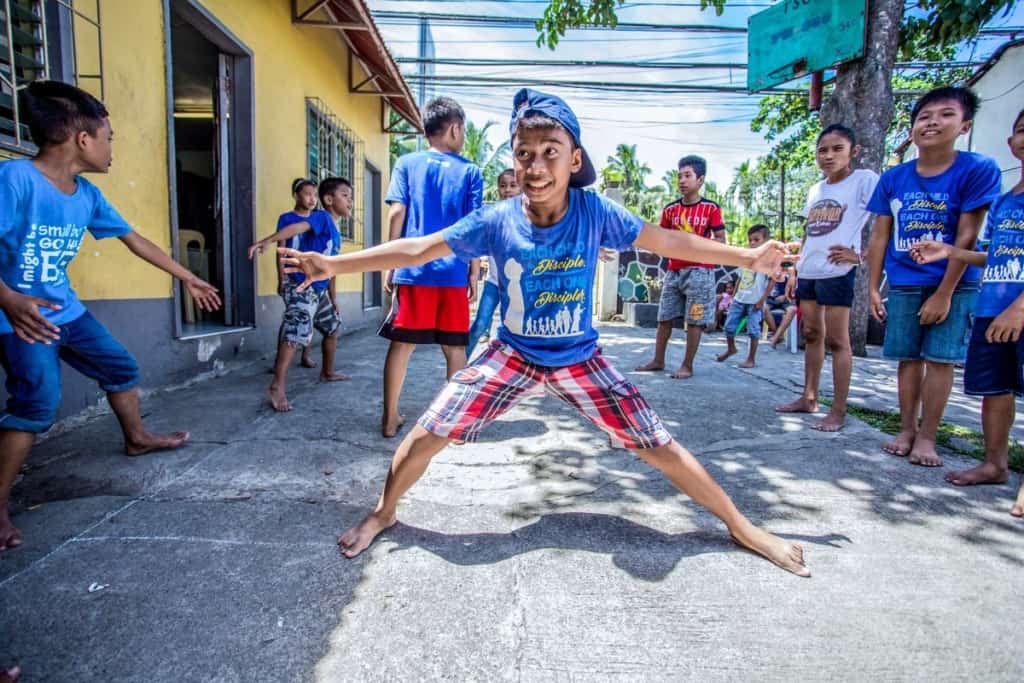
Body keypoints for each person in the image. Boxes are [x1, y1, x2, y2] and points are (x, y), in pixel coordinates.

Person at [280, 88, 809, 577]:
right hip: (511, 354)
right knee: (426, 432)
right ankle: (384, 513)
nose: (536, 166)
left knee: (658, 444)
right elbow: (418, 247)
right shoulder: (496, 220)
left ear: (574, 159)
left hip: (579, 356)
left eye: (550, 151)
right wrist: (332, 265)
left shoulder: (595, 211)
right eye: (524, 153)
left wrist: (746, 256)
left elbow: (668, 241)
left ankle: (742, 527)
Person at [0, 81, 222, 551]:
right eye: (109, 136)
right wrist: (8, 299)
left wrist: (189, 276)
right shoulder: (15, 179)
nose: (111, 146)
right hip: (19, 318)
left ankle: (136, 437)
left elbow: (134, 240)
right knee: (37, 404)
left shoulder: (85, 195)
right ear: (83, 139)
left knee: (119, 367)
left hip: (66, 310)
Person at [866, 86, 1003, 466]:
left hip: (955, 282)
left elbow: (967, 235)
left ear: (964, 125)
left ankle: (928, 436)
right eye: (924, 117)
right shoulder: (894, 178)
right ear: (911, 129)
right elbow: (880, 235)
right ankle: (907, 427)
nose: (932, 123)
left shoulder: (978, 169)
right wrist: (874, 288)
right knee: (908, 359)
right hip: (905, 279)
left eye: (945, 114)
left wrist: (945, 292)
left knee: (940, 359)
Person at [911, 108, 1024, 516]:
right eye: (1022, 130)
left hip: (1017, 309)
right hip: (992, 306)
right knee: (995, 391)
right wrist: (951, 251)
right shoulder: (1008, 200)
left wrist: (1020, 306)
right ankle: (996, 463)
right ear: (1012, 143)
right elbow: (995, 253)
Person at [380, 97, 483, 437]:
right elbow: (474, 227)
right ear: (453, 128)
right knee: (455, 349)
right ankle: (453, 424)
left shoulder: (406, 163)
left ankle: (390, 417)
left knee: (402, 345)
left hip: (413, 271)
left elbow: (396, 213)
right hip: (452, 274)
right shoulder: (470, 172)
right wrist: (472, 272)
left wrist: (389, 265)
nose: (463, 135)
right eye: (463, 129)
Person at [775, 125, 879, 431]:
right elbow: (810, 232)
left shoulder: (865, 180)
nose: (829, 155)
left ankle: (838, 410)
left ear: (854, 152)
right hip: (809, 270)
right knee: (811, 334)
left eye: (837, 149)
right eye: (823, 150)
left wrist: (860, 257)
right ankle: (809, 397)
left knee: (838, 340)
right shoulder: (816, 190)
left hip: (838, 270)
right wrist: (796, 268)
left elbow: (885, 221)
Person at [248, 177, 351, 411]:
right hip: (301, 286)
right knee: (295, 331)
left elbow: (331, 268)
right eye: (345, 196)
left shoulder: (335, 229)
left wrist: (333, 298)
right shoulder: (321, 217)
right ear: (328, 199)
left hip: (319, 289)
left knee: (333, 327)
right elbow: (297, 227)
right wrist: (268, 240)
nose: (351, 201)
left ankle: (327, 372)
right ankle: (277, 386)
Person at [635, 155, 726, 379]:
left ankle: (687, 365)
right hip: (674, 271)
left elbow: (721, 239)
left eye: (688, 176)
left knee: (695, 320)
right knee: (664, 316)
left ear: (700, 179)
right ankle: (658, 359)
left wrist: (701, 249)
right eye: (679, 176)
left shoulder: (711, 208)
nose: (682, 181)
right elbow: (662, 237)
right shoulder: (670, 210)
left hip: (700, 272)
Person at [467, 168, 520, 353]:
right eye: (503, 186)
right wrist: (473, 276)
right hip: (494, 283)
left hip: (518, 286)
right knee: (480, 325)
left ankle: (513, 371)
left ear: (521, 187)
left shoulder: (529, 218)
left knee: (514, 331)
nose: (508, 190)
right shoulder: (491, 217)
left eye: (513, 185)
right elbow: (473, 243)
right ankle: (459, 366)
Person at [277, 178, 320, 369]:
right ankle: (279, 360)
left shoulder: (317, 219)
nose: (312, 199)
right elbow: (281, 249)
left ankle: (305, 355)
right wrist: (282, 278)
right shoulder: (287, 219)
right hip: (292, 278)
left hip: (312, 278)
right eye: (307, 194)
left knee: (308, 318)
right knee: (292, 317)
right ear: (296, 195)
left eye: (315, 195)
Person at [717, 225, 772, 368]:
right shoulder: (746, 259)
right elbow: (740, 279)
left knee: (753, 331)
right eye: (750, 240)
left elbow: (772, 281)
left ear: (766, 241)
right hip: (739, 300)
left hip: (754, 302)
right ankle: (731, 348)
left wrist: (762, 299)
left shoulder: (768, 262)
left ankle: (751, 358)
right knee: (729, 327)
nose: (752, 243)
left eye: (756, 240)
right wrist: (733, 297)